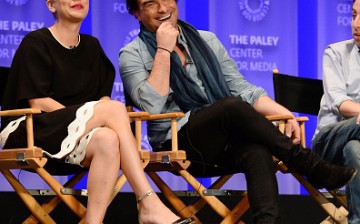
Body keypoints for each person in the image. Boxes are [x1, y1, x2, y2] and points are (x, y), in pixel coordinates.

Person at [119, 0, 358, 223]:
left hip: (221, 141)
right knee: (230, 107)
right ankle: (310, 166)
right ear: (137, 13)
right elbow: (152, 105)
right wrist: (163, 49)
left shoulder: (206, 40)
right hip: (176, 142)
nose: (162, 8)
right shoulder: (131, 53)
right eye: (150, 3)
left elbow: (242, 89)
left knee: (256, 150)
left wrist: (284, 113)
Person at [0, 1, 196, 224]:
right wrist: (85, 117)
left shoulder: (92, 46)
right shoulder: (36, 42)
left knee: (108, 138)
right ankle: (148, 202)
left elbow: (101, 99)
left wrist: (90, 120)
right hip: (32, 130)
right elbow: (38, 100)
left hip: (77, 138)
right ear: (51, 5)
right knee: (112, 108)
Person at [312, 0, 360, 223]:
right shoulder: (336, 53)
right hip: (328, 144)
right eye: (353, 15)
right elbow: (341, 103)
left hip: (353, 149)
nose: (356, 24)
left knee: (354, 149)